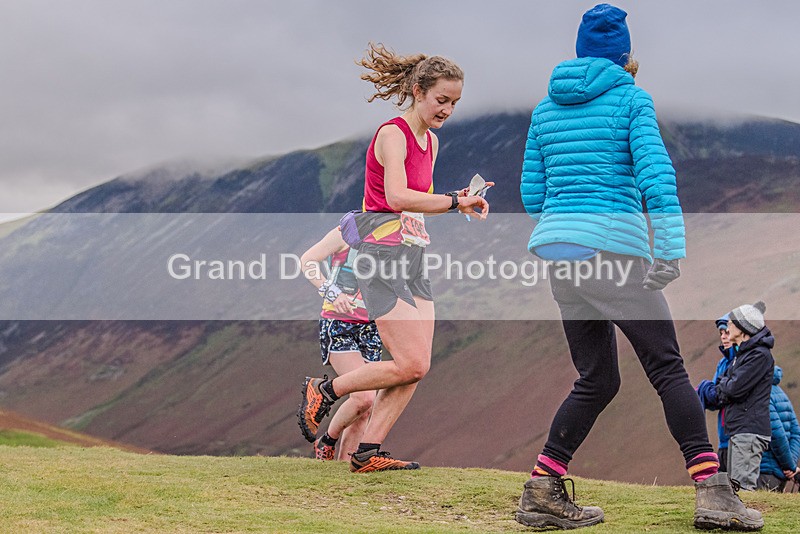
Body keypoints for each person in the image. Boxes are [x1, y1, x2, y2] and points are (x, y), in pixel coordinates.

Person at [517, 4, 762, 530]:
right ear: (625, 55)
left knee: (597, 378)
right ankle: (714, 494)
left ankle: (541, 490)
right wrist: (669, 249)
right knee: (667, 367)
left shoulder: (543, 110)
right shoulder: (631, 99)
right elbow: (656, 178)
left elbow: (532, 195)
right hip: (614, 254)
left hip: (560, 255)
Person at [297, 42, 489, 473]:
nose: (447, 110)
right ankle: (325, 391)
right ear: (419, 91)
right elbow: (397, 196)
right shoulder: (391, 134)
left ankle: (367, 451)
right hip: (379, 255)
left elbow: (417, 204)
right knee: (411, 361)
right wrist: (454, 202)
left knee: (417, 366)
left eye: (455, 103)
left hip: (413, 257)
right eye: (442, 100)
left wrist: (462, 201)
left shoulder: (431, 142)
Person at [298, 227, 381, 461]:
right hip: (339, 323)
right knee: (364, 397)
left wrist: (462, 198)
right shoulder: (351, 227)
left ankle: (345, 473)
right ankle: (328, 441)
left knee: (364, 409)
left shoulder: (395, 233)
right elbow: (308, 260)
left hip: (372, 327)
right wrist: (331, 292)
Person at [711, 301, 774, 491]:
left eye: (731, 322)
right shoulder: (744, 354)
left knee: (743, 488)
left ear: (742, 328)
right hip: (740, 429)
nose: (727, 326)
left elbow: (732, 389)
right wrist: (725, 385)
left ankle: (747, 520)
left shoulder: (759, 355)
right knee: (735, 488)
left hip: (749, 430)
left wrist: (725, 385)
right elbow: (724, 383)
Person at [697, 315, 736, 472]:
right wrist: (706, 390)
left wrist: (705, 388)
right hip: (723, 438)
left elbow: (722, 394)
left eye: (727, 332)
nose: (723, 337)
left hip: (737, 435)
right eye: (721, 333)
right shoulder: (722, 363)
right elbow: (715, 398)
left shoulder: (742, 361)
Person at [757, 366, 800, 492]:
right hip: (780, 471)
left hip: (765, 470)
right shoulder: (781, 393)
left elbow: (776, 434)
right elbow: (795, 433)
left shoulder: (762, 394)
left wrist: (789, 465)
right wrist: (790, 466)